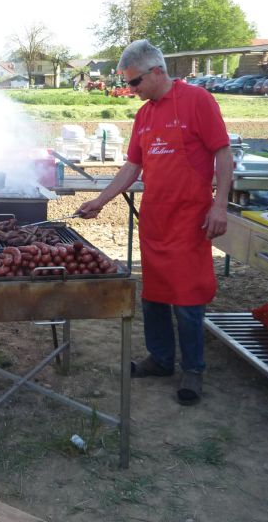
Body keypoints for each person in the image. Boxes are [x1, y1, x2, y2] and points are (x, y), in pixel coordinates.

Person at [77, 39, 232, 406]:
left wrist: (220, 205)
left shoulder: (198, 101)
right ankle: (161, 359)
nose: (131, 90)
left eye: (134, 83)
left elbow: (222, 153)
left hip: (192, 219)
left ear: (157, 72)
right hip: (156, 221)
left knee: (188, 298)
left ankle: (193, 369)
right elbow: (133, 166)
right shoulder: (145, 115)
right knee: (154, 295)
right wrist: (101, 200)